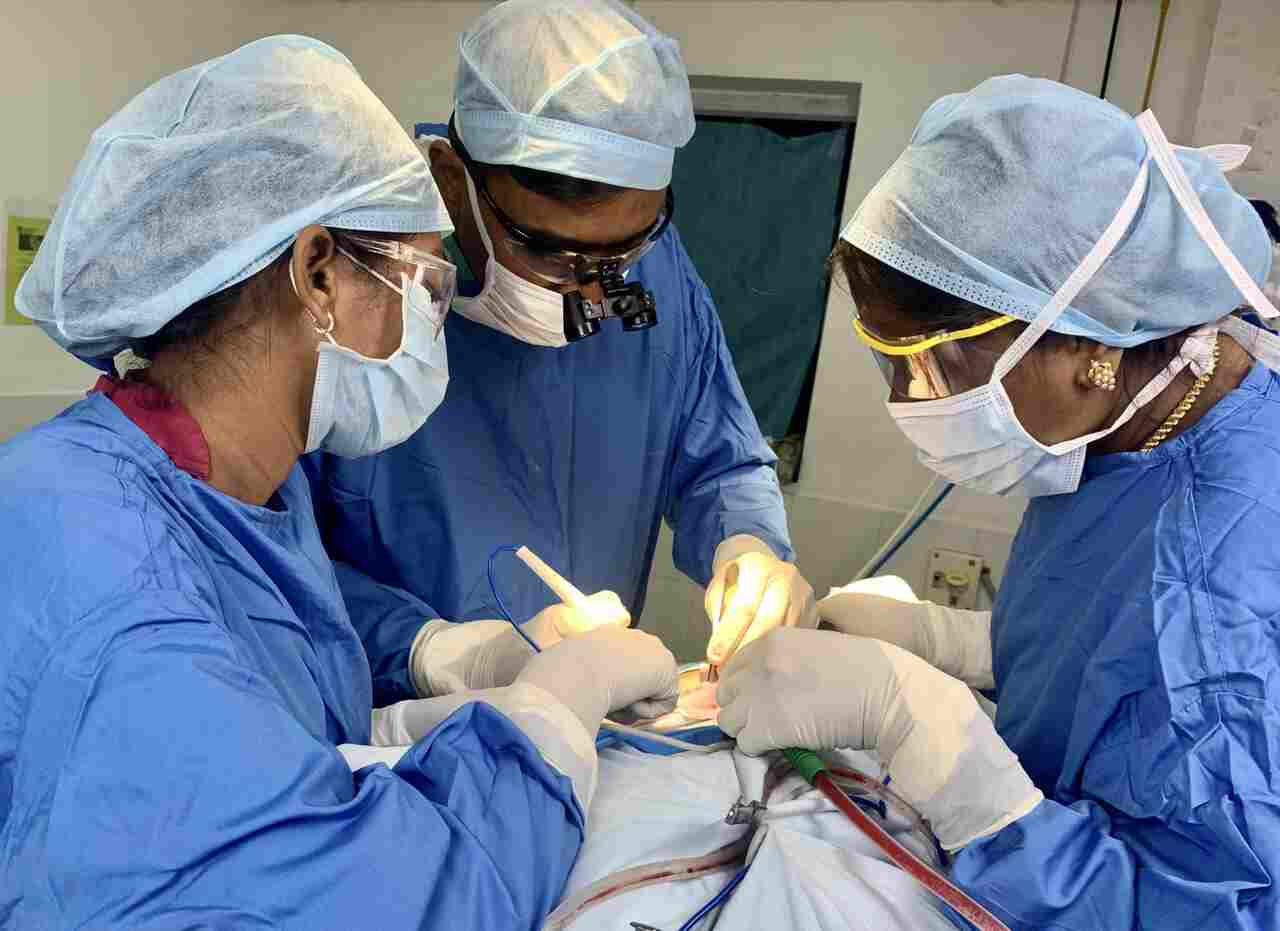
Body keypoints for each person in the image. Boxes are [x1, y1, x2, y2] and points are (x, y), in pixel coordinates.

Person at [0, 35, 678, 928]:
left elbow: (275, 755)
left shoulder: (235, 496)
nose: (434, 318)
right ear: (318, 273)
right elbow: (410, 905)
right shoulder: (125, 593)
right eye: (425, 281)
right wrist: (554, 713)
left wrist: (446, 706)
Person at [714, 75, 1280, 929]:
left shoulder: (1219, 568)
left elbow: (1210, 909)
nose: (908, 398)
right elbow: (1126, 654)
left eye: (934, 364)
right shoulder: (1129, 427)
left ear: (1088, 348)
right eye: (888, 359)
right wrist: (957, 645)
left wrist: (926, 734)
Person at [303, 0, 815, 711]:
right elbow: (268, 563)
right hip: (390, 725)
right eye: (551, 252)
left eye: (625, 252)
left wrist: (747, 550)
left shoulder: (655, 265)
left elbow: (718, 458)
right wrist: (433, 650)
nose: (597, 291)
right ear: (451, 179)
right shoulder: (351, 290)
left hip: (578, 724)